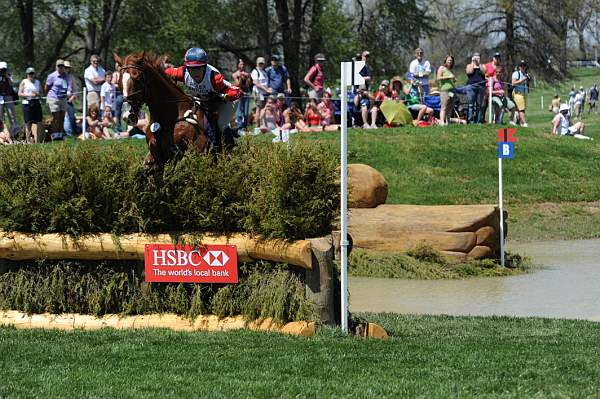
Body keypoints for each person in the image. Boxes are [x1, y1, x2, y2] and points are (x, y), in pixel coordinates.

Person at [164, 47, 243, 150]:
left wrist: (226, 96)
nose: (195, 72)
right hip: (205, 100)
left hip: (226, 102)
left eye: (199, 68)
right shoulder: (182, 73)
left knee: (220, 124)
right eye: (192, 68)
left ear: (205, 67)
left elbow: (237, 91)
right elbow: (164, 73)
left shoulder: (214, 78)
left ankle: (231, 146)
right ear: (186, 67)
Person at [45, 59, 72, 139]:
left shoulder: (66, 76)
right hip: (54, 98)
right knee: (55, 117)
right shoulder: (52, 76)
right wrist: (50, 95)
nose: (61, 68)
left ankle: (60, 134)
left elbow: (68, 85)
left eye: (62, 66)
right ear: (56, 67)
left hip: (63, 98)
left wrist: (69, 91)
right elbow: (47, 87)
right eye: (59, 66)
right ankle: (54, 134)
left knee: (62, 116)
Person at [18, 67, 44, 143]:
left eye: (32, 73)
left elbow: (41, 93)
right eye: (29, 74)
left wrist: (37, 94)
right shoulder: (24, 82)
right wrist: (29, 94)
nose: (31, 75)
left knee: (39, 122)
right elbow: (19, 93)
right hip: (27, 103)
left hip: (36, 102)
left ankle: (38, 140)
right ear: (27, 74)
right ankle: (28, 141)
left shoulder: (38, 82)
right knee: (28, 123)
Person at [232, 59, 252, 133]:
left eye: (243, 64)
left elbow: (248, 85)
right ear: (238, 65)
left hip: (246, 94)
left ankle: (245, 127)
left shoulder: (247, 74)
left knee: (246, 112)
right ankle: (239, 128)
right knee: (239, 112)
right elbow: (238, 85)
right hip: (239, 94)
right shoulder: (234, 74)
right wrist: (240, 77)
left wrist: (247, 77)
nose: (242, 66)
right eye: (240, 64)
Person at [465, 52, 486, 124]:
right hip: (471, 86)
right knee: (471, 105)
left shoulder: (483, 66)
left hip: (481, 86)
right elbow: (469, 72)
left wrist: (479, 64)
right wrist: (472, 62)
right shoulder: (469, 65)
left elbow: (484, 72)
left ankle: (478, 121)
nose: (477, 59)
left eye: (478, 57)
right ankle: (471, 121)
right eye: (475, 57)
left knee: (479, 105)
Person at [0, 61, 19, 139]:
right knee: (0, 117)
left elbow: (14, 84)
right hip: (0, 97)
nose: (2, 71)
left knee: (12, 116)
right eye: (1, 69)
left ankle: (15, 134)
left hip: (8, 97)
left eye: (4, 69)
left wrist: (8, 77)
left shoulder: (8, 76)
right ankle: (1, 135)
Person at [437, 55, 456, 126]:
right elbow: (438, 78)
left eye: (451, 60)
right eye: (449, 60)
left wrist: (453, 79)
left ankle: (448, 122)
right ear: (445, 60)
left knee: (450, 107)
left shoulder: (450, 70)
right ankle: (442, 122)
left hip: (452, 91)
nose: (450, 61)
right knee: (444, 107)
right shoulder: (442, 68)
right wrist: (449, 77)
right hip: (444, 91)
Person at [251, 57, 269, 129]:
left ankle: (262, 125)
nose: (261, 64)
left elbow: (265, 82)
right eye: (260, 63)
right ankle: (257, 127)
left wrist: (268, 89)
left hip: (264, 93)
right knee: (258, 109)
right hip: (258, 93)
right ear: (257, 63)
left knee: (263, 109)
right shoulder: (255, 71)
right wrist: (266, 89)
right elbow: (256, 83)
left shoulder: (264, 71)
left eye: (262, 63)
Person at [63, 60, 80, 136]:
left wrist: (72, 98)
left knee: (72, 117)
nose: (66, 69)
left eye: (67, 68)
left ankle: (73, 134)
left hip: (69, 100)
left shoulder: (71, 78)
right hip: (61, 100)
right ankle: (65, 134)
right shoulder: (60, 78)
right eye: (65, 67)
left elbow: (75, 90)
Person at [511, 60, 529, 127]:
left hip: (524, 94)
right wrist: (522, 80)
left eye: (524, 65)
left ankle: (516, 121)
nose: (523, 67)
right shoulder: (516, 73)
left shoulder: (525, 74)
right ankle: (524, 123)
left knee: (518, 109)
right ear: (519, 67)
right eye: (521, 65)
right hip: (518, 94)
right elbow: (513, 83)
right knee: (521, 110)